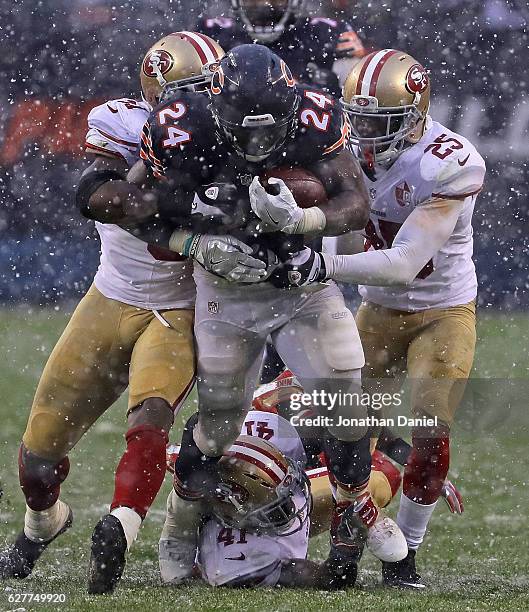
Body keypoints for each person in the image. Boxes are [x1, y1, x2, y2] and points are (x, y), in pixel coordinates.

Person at [135, 43, 408, 585]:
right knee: (218, 424)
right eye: (246, 128)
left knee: (346, 404)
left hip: (300, 287)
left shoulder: (315, 116)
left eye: (271, 128)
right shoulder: (181, 126)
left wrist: (307, 220)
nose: (259, 142)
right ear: (216, 105)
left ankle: (358, 508)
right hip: (228, 286)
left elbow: (353, 200)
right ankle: (181, 521)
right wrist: (190, 241)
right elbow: (134, 206)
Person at [0, 31, 255, 596]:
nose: (201, 104)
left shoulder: (237, 135)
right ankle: (44, 521)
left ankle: (122, 524)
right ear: (156, 95)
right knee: (37, 461)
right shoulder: (119, 123)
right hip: (110, 298)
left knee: (151, 419)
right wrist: (191, 224)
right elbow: (100, 197)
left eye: (209, 89)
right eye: (187, 92)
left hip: (177, 312)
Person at [248, 49, 485, 588]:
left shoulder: (447, 161)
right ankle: (340, 546)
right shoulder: (346, 150)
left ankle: (408, 556)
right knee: (334, 423)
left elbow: (403, 265)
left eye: (382, 123)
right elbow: (344, 228)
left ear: (417, 114)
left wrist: (320, 264)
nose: (367, 135)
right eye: (360, 121)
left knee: (430, 433)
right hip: (376, 313)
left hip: (440, 312)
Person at [160, 372, 407, 588]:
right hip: (242, 467)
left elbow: (355, 414)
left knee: (353, 427)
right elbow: (328, 579)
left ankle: (357, 499)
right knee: (384, 477)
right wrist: (345, 551)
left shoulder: (290, 423)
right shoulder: (235, 566)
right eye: (275, 513)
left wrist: (406, 455)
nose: (288, 515)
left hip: (280, 431)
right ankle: (178, 528)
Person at [198, 0, 371, 96]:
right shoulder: (212, 34)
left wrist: (329, 87)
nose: (264, 5)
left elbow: (356, 103)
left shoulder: (326, 33)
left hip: (306, 146)